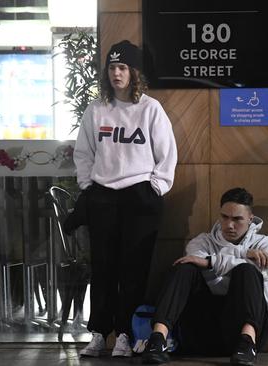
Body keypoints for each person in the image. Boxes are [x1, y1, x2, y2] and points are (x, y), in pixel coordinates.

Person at [72, 39, 178, 358]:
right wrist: (88, 186)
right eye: (111, 68)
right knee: (103, 268)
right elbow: (83, 152)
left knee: (133, 270)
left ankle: (125, 335)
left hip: (139, 199)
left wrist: (154, 189)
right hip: (104, 197)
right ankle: (98, 332)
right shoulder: (97, 109)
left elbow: (167, 155)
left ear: (133, 72)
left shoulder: (150, 109)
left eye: (122, 68)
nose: (116, 73)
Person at [142, 188, 268, 365]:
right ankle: (157, 340)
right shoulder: (202, 242)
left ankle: (248, 343)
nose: (229, 225)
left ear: (250, 218)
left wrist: (211, 263)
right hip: (203, 330)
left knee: (247, 271)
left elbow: (266, 271)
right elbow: (194, 259)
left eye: (237, 219)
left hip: (244, 332)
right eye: (225, 217)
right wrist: (246, 254)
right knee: (185, 267)